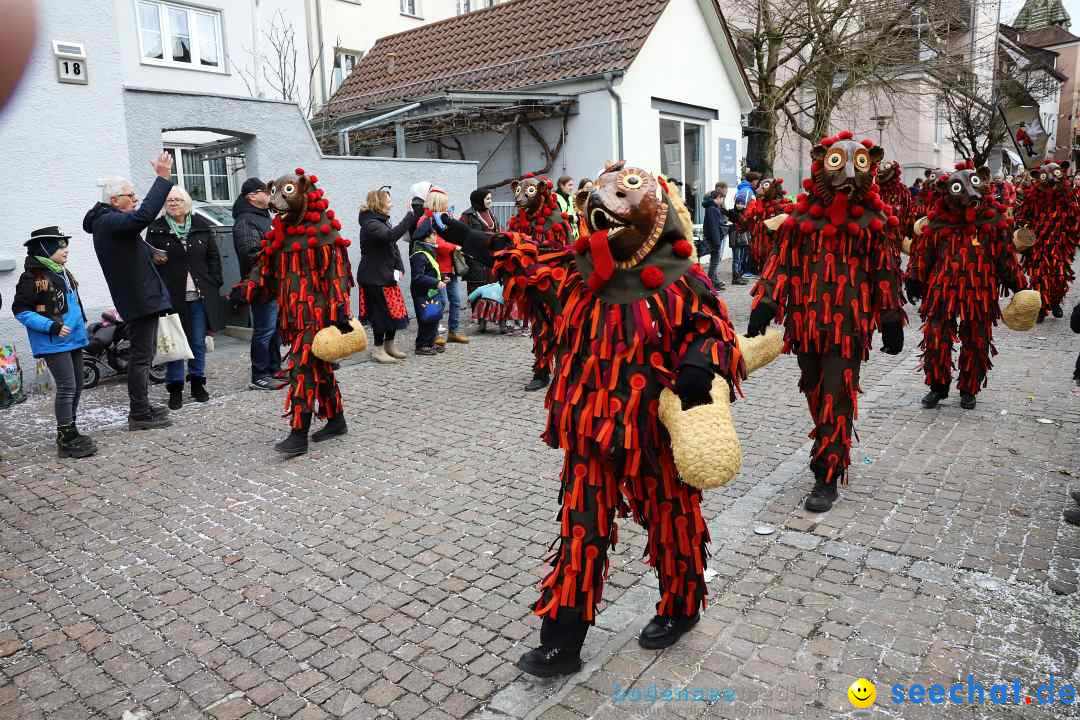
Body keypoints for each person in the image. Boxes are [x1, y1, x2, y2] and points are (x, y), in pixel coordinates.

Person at [747, 131, 904, 513]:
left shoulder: (875, 221)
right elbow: (780, 263)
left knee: (837, 397)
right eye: (837, 162)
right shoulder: (801, 218)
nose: (848, 172)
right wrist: (765, 303)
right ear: (821, 161)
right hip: (805, 325)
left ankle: (827, 474)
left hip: (848, 329)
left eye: (859, 163)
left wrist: (889, 317)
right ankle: (828, 447)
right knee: (816, 393)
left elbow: (884, 273)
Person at [241, 169, 355, 456]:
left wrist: (340, 309)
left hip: (318, 315)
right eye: (276, 192)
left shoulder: (324, 231)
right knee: (321, 370)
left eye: (287, 191)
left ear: (303, 191)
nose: (277, 199)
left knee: (302, 370)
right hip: (293, 314)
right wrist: (249, 287)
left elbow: (337, 273)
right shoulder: (282, 232)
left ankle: (298, 432)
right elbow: (267, 265)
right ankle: (336, 419)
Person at [905, 163, 1026, 411]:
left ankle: (969, 388)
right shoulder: (938, 223)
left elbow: (1005, 257)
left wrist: (1017, 285)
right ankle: (937, 386)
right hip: (942, 291)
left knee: (977, 340)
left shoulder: (993, 221)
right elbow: (923, 252)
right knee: (936, 337)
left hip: (979, 291)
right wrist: (915, 278)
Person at [84, 152, 175, 431]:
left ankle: (142, 407)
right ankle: (139, 413)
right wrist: (162, 178)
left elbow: (129, 245)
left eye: (135, 195)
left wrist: (150, 253)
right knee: (141, 356)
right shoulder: (108, 222)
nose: (135, 199)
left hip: (140, 297)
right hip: (139, 299)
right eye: (130, 195)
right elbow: (144, 216)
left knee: (142, 355)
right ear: (114, 200)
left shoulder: (107, 221)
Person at [12, 227, 95, 457]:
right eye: (61, 246)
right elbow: (20, 310)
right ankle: (65, 437)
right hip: (53, 342)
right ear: (46, 249)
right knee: (67, 387)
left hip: (73, 340)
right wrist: (52, 326)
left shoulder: (60, 271)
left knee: (78, 385)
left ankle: (72, 428)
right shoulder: (34, 276)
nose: (66, 250)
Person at [148, 186, 225, 410]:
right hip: (172, 297)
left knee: (197, 342)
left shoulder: (201, 226)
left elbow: (213, 258)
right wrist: (155, 260)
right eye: (169, 200)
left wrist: (214, 282)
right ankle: (175, 388)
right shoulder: (156, 229)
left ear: (186, 203)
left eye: (177, 200)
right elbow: (147, 260)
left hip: (200, 295)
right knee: (175, 344)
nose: (173, 203)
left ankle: (198, 383)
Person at [232, 177, 281, 390]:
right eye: (265, 191)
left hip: (274, 282)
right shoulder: (245, 220)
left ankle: (274, 369)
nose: (269, 194)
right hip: (260, 285)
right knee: (264, 331)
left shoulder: (264, 216)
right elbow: (251, 253)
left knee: (274, 331)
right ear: (252, 196)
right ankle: (259, 375)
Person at [357, 187, 415, 363]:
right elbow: (391, 237)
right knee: (381, 314)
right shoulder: (371, 224)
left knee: (393, 312)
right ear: (379, 203)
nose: (391, 204)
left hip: (386, 276)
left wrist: (399, 267)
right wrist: (409, 217)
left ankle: (390, 345)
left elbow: (392, 248)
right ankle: (378, 349)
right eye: (389, 201)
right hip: (374, 278)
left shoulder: (381, 221)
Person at [424, 187, 468, 346]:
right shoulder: (427, 220)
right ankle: (432, 334)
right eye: (444, 203)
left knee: (455, 301)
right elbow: (435, 242)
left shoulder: (444, 218)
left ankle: (453, 332)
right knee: (437, 302)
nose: (446, 205)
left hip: (451, 268)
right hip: (437, 268)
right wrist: (453, 247)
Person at [409, 224, 444, 356]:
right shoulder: (419, 254)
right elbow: (417, 277)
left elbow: (431, 270)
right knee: (426, 318)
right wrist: (436, 282)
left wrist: (442, 279)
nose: (436, 237)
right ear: (427, 238)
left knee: (433, 317)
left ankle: (430, 342)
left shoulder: (428, 251)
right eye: (433, 234)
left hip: (431, 291)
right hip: (423, 292)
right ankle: (422, 345)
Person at [460, 189, 500, 295]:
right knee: (477, 294)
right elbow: (461, 237)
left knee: (492, 294)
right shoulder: (467, 216)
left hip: (491, 260)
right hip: (476, 262)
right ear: (479, 200)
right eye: (487, 199)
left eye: (491, 198)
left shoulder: (490, 213)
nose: (490, 201)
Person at [730, 171, 759, 285]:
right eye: (756, 181)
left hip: (742, 227)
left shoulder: (746, 190)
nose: (757, 184)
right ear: (752, 181)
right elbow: (743, 209)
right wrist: (746, 221)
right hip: (741, 228)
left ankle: (740, 275)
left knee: (741, 253)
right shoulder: (746, 192)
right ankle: (738, 275)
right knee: (739, 254)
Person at [701, 187, 728, 289]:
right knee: (714, 261)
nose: (722, 201)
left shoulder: (713, 208)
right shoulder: (712, 209)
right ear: (717, 198)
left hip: (714, 239)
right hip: (714, 240)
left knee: (715, 260)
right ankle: (711, 281)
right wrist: (717, 242)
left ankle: (714, 280)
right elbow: (713, 227)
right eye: (722, 198)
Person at [555, 175, 578, 239]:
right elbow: (556, 217)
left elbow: (571, 212)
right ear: (562, 185)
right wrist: (572, 218)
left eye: (572, 185)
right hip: (562, 234)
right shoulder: (555, 198)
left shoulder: (570, 197)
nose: (572, 188)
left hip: (572, 233)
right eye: (569, 185)